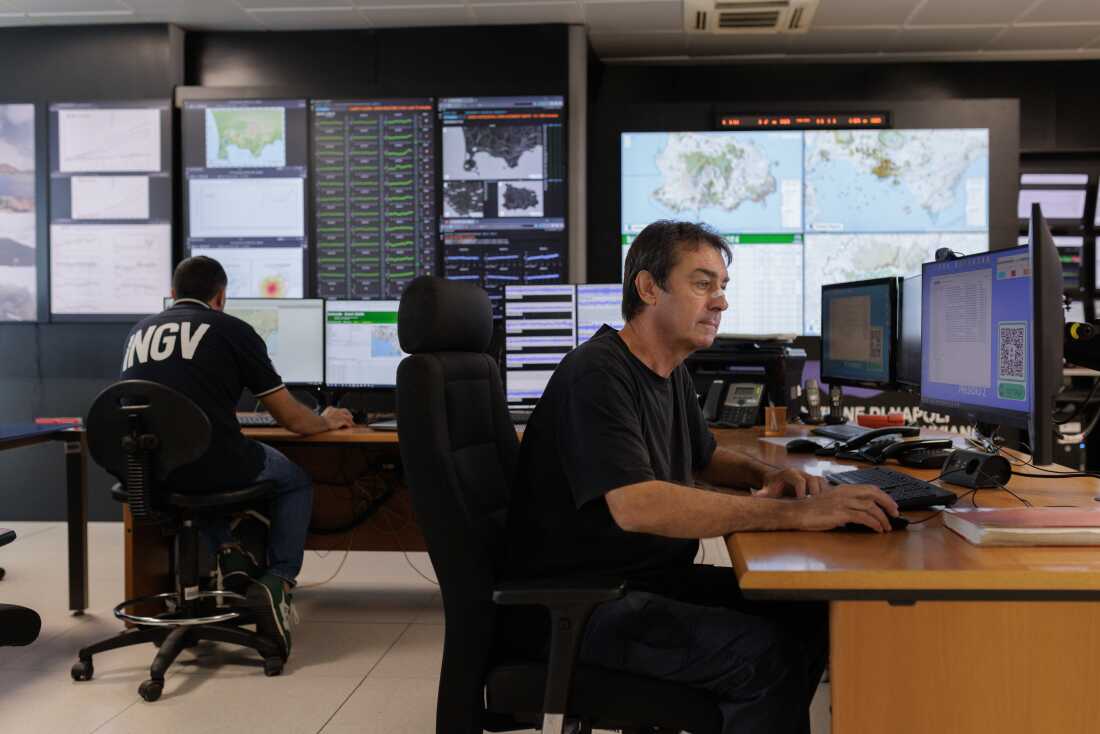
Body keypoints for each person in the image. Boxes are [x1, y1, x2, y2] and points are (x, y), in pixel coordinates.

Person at [504, 221, 899, 734]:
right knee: (765, 656)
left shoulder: (668, 369)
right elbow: (638, 505)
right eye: (702, 283)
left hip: (643, 582)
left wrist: (771, 473)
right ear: (648, 288)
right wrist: (794, 514)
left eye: (723, 287)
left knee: (807, 611)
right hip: (583, 606)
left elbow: (706, 458)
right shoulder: (596, 374)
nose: (720, 302)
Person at [120, 256, 353, 658]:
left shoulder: (139, 331)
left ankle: (229, 550)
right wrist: (326, 420)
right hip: (213, 463)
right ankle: (277, 580)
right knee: (295, 479)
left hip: (151, 470)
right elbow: (292, 420)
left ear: (173, 294)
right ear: (221, 296)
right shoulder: (231, 329)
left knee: (194, 474)